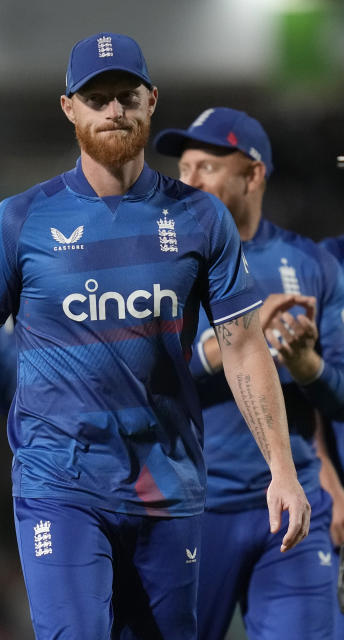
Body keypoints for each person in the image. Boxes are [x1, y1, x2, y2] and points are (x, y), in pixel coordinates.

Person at [0, 33, 311, 640]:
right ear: (70, 108)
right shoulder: (19, 221)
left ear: (151, 100)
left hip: (168, 486)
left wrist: (282, 467)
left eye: (126, 96)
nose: (114, 110)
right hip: (59, 484)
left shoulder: (201, 219)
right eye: (97, 98)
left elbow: (245, 347)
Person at [154, 107, 344, 639]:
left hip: (289, 507)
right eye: (184, 167)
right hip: (190, 508)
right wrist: (238, 338)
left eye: (206, 167)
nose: (187, 180)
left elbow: (340, 398)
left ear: (253, 175)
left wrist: (309, 367)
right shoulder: (157, 260)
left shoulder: (310, 263)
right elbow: (142, 375)